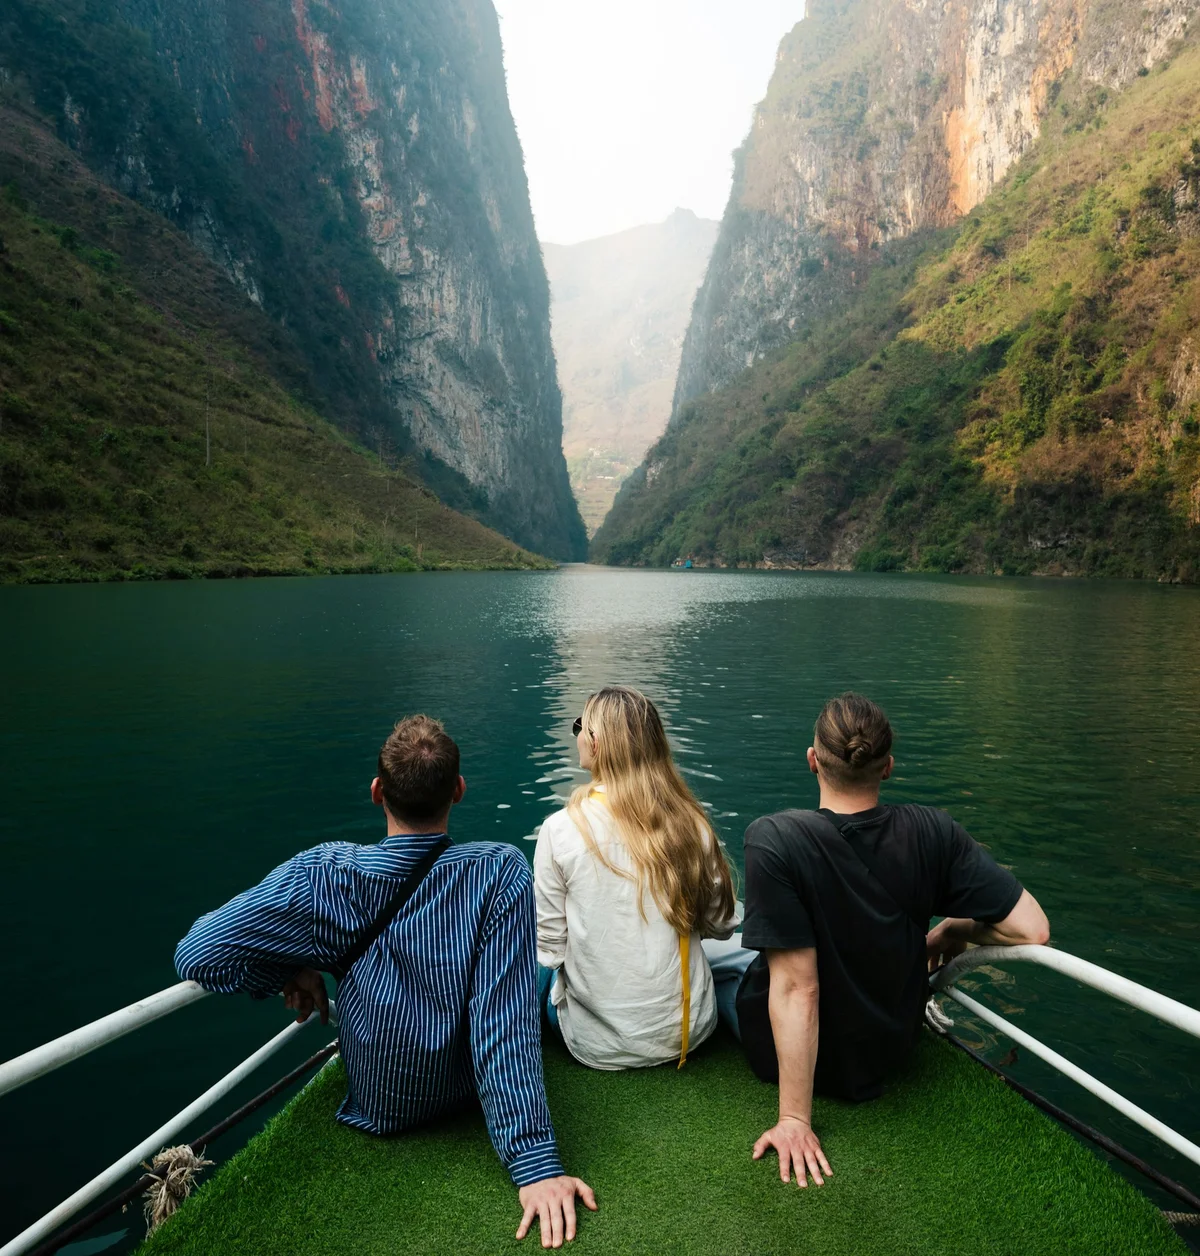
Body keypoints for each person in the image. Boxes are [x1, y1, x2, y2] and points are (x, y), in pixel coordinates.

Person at [175, 715, 596, 1249]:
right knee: (531, 979)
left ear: (377, 792)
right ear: (458, 791)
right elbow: (502, 1023)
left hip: (382, 1106)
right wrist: (534, 1165)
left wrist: (288, 966)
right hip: (465, 1092)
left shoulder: (323, 875)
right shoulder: (499, 870)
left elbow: (197, 953)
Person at [703, 692, 1050, 1189]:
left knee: (708, 955)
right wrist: (957, 926)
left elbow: (798, 989)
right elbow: (1033, 930)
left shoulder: (775, 838)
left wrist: (795, 1120)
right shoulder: (934, 831)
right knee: (746, 943)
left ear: (812, 760)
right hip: (890, 1048)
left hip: (801, 1057)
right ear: (887, 767)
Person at [533, 686, 739, 1070]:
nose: (576, 734)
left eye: (580, 726)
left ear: (595, 743)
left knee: (533, 966)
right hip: (689, 1033)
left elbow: (550, 951)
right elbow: (723, 925)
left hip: (596, 1046)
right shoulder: (691, 824)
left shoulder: (560, 829)